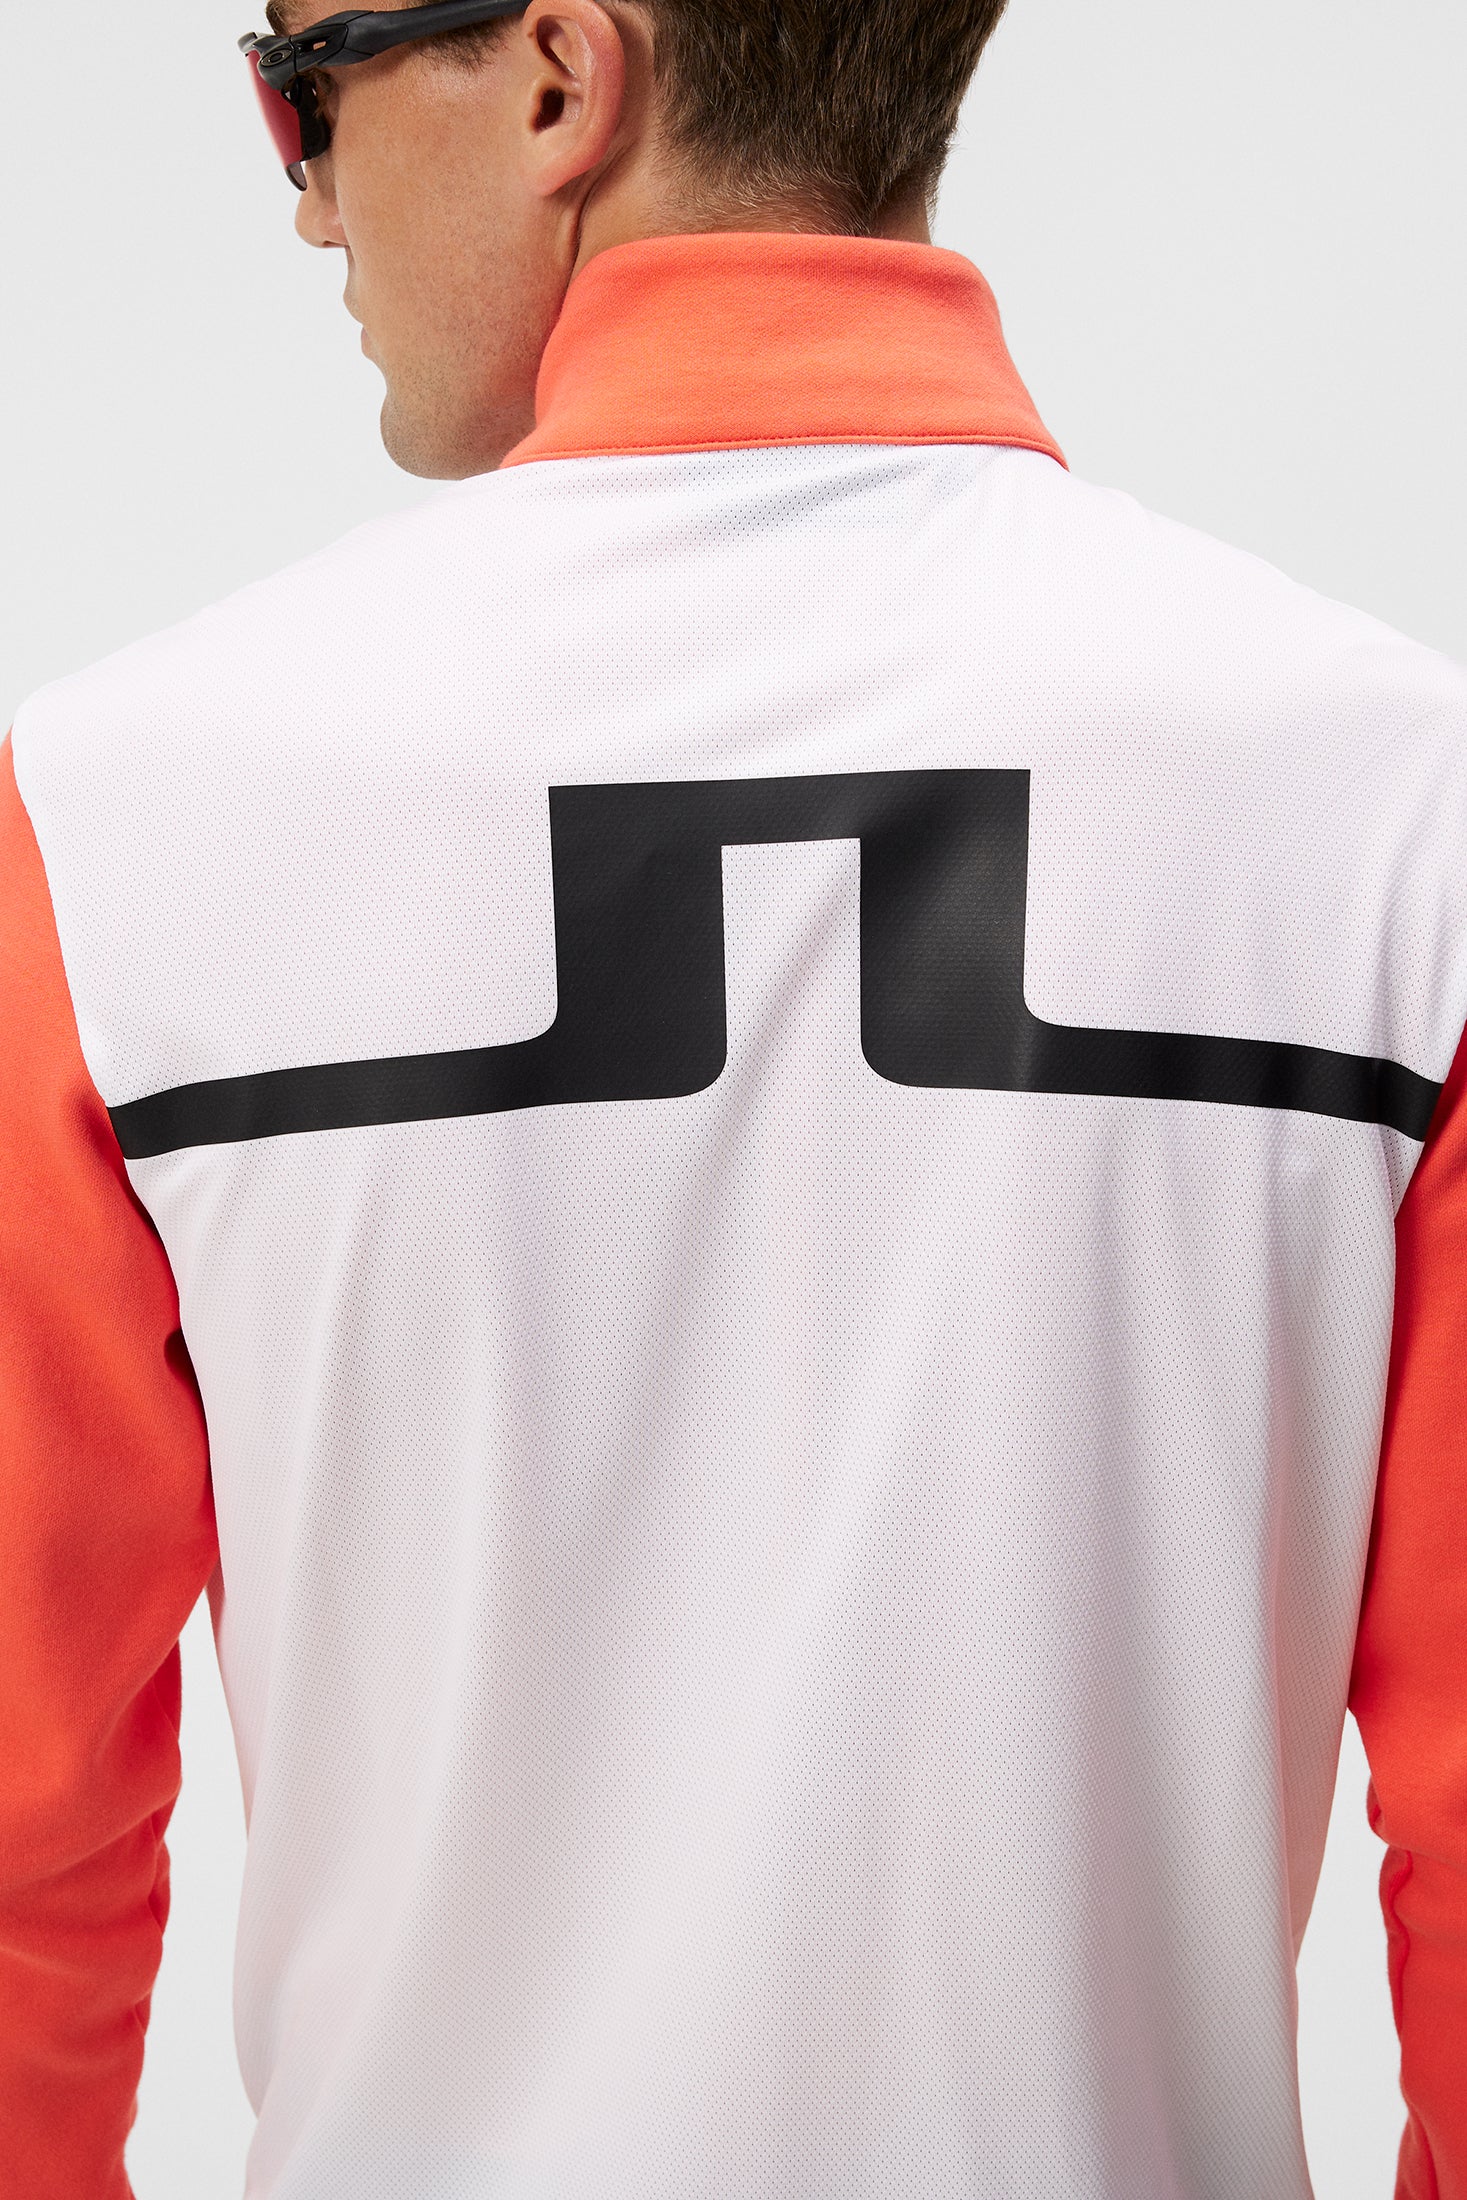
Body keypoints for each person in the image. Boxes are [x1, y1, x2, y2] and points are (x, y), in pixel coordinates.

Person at [2, 0, 1464, 2192]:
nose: (304, 198)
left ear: (559, 80)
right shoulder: (1396, 809)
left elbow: (20, 1823)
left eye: (303, 81)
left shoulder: (110, 831)